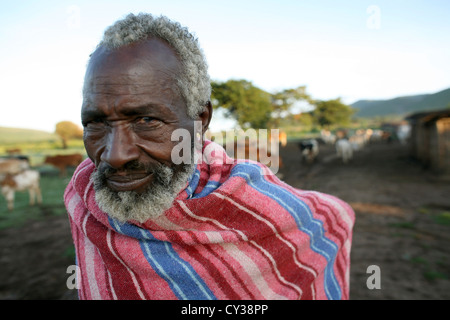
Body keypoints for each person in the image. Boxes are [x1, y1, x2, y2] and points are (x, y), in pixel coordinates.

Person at [64, 13, 355, 300]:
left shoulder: (263, 209)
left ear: (200, 119)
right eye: (95, 123)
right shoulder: (82, 200)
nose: (115, 156)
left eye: (146, 120)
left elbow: (333, 218)